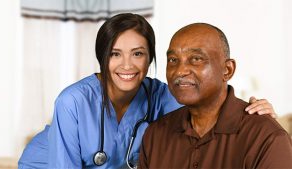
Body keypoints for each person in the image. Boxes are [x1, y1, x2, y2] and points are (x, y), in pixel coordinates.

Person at [18, 14, 276, 169]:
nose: (127, 65)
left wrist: (255, 112)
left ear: (150, 58)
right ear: (102, 58)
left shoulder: (164, 95)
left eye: (138, 54)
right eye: (115, 54)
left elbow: (209, 110)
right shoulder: (72, 101)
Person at [138, 23, 292, 168]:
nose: (179, 71)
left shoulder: (266, 137)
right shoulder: (155, 135)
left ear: (227, 70)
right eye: (173, 60)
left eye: (196, 59)